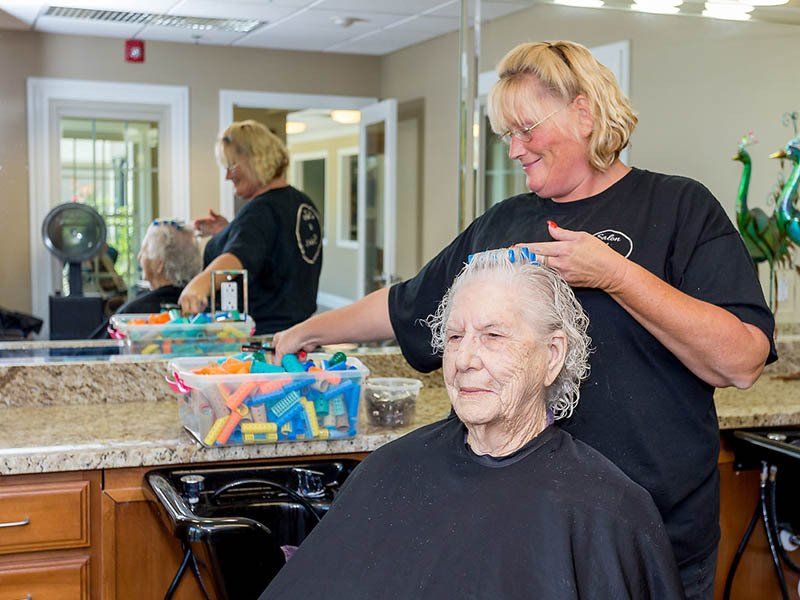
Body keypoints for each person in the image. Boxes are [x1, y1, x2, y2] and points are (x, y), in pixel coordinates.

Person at [273, 40, 776, 599]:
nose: (514, 149)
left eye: (526, 128)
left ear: (583, 113)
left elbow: (742, 359)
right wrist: (305, 330)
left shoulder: (679, 208)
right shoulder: (503, 225)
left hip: (652, 535)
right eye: (506, 135)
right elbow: (406, 303)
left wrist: (613, 274)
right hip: (520, 538)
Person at [263, 250, 685, 600]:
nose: (465, 359)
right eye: (453, 338)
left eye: (493, 336)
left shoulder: (607, 510)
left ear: (552, 356)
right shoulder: (389, 471)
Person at [180, 120, 323, 334]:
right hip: (299, 335)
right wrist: (228, 231)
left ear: (255, 161)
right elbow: (272, 250)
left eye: (232, 166)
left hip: (261, 341)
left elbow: (238, 259)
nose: (228, 176)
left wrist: (198, 285)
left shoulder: (260, 211)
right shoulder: (303, 203)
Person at [115, 220, 201, 314]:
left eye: (144, 251)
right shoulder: (202, 303)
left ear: (159, 264)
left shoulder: (133, 312)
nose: (139, 257)